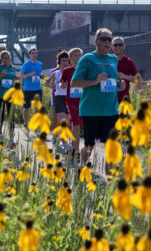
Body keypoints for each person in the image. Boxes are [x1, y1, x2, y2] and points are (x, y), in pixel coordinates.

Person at [71, 28, 125, 172]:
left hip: (111, 109)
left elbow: (113, 81)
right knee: (89, 146)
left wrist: (120, 84)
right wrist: (95, 81)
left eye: (109, 39)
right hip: (91, 110)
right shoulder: (87, 59)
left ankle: (109, 179)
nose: (107, 42)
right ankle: (82, 165)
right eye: (104, 39)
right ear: (96, 42)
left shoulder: (113, 59)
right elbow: (74, 83)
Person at [60, 48, 83, 159]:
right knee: (76, 126)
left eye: (79, 55)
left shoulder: (85, 70)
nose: (78, 57)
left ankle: (74, 150)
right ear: (70, 58)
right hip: (72, 101)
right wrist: (62, 85)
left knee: (81, 127)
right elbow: (61, 83)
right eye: (75, 55)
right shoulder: (67, 71)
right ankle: (76, 152)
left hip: (84, 101)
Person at [0, 51, 17, 139]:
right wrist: (1, 75)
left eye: (8, 57)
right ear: (1, 59)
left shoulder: (13, 68)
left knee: (11, 116)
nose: (7, 59)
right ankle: (0, 134)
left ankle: (11, 137)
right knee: (0, 116)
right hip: (0, 96)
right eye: (5, 58)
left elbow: (15, 80)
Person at [46, 51, 70, 141]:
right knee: (60, 119)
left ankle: (63, 139)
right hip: (58, 97)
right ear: (59, 62)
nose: (65, 63)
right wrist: (51, 86)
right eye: (63, 61)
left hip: (68, 98)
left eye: (67, 61)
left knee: (67, 122)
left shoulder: (71, 72)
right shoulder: (55, 73)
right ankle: (61, 140)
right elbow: (47, 83)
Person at [20, 48, 43, 127]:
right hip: (28, 89)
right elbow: (21, 76)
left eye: (35, 53)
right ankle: (26, 122)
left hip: (38, 88)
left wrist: (41, 76)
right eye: (32, 53)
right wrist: (29, 74)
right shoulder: (26, 64)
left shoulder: (40, 64)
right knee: (26, 108)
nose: (34, 54)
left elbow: (39, 74)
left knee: (37, 107)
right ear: (29, 54)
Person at [112, 37, 138, 101]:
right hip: (110, 100)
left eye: (120, 44)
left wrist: (124, 76)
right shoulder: (107, 61)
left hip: (124, 100)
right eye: (115, 45)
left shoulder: (128, 61)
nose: (117, 46)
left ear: (123, 46)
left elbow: (137, 79)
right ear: (112, 47)